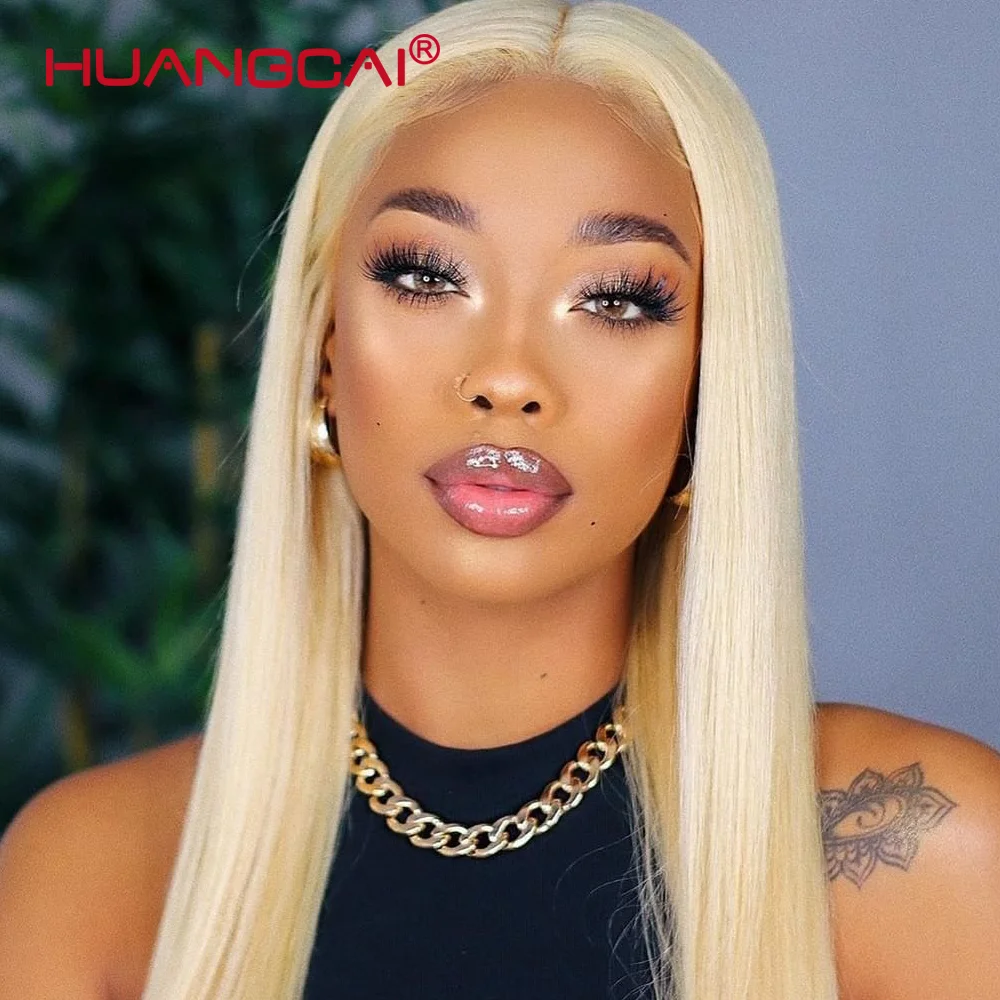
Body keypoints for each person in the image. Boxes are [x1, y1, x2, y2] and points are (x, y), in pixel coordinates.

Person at [0, 1, 998, 998]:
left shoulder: (921, 857)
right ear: (325, 352)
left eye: (616, 300)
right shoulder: (89, 876)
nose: (509, 376)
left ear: (706, 389)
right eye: (427, 277)